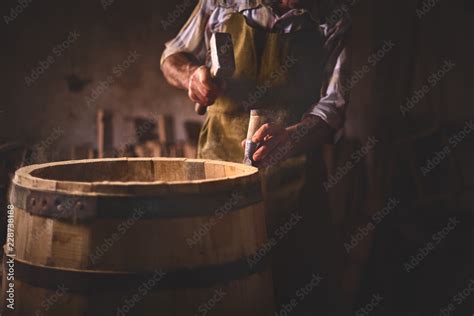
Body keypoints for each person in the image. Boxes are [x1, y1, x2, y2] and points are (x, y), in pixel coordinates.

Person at [161, 0, 351, 313]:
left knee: (295, 285)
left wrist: (292, 137)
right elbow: (172, 56)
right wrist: (192, 75)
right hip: (216, 176)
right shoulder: (221, 4)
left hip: (294, 181)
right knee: (214, 285)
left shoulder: (331, 16)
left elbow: (334, 106)